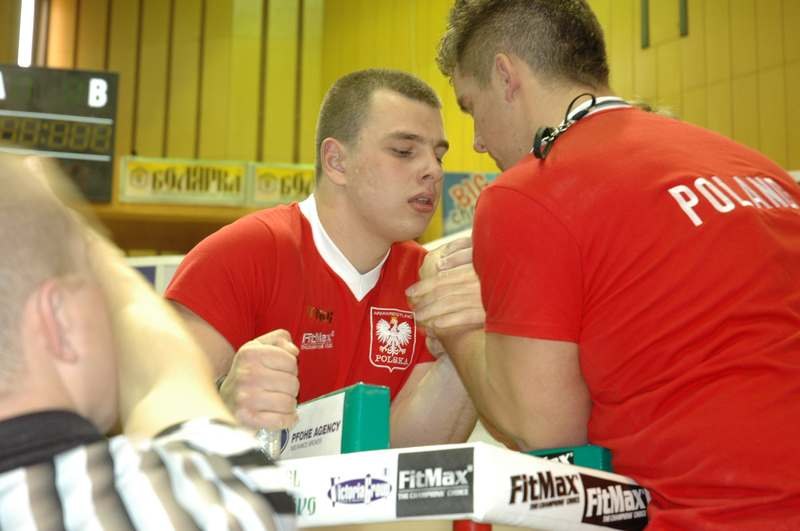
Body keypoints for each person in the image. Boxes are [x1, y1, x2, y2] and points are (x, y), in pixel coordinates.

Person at [412, 0, 800, 528]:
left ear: (506, 76)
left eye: (470, 107)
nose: (477, 141)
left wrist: (456, 322)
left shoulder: (531, 190)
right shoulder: (756, 168)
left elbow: (544, 427)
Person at [166, 69, 476, 447]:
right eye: (404, 151)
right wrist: (224, 409)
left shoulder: (427, 280)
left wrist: (461, 353)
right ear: (336, 162)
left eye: (439, 155)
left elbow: (403, 456)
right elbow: (160, 427)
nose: (433, 170)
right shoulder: (236, 256)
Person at [0, 156, 294, 530]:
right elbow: (168, 380)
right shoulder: (172, 507)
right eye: (94, 290)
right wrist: (84, 244)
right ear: (58, 316)